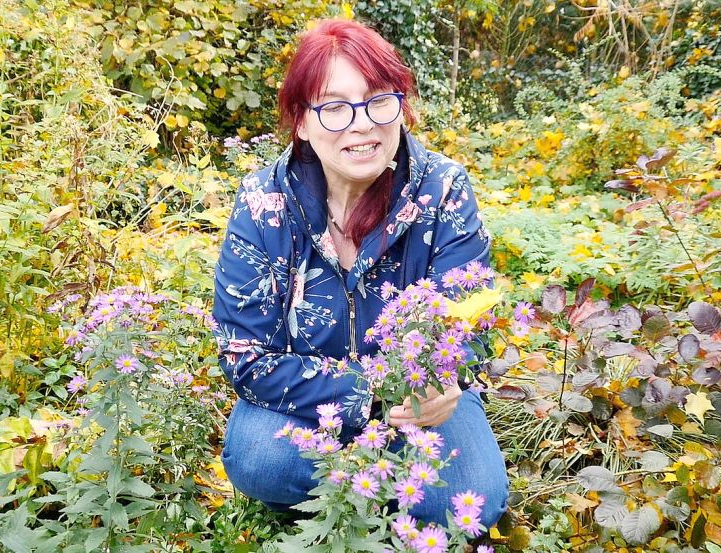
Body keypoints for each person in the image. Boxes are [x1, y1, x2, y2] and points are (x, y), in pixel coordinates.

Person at [211, 19, 508, 529]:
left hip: (417, 404)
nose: (362, 123)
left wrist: (444, 383)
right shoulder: (264, 204)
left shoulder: (443, 190)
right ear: (302, 122)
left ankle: (365, 493)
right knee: (261, 458)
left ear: (401, 106)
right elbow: (245, 357)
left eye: (378, 100)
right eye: (334, 106)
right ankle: (366, 497)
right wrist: (363, 394)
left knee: (471, 496)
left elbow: (472, 317)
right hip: (306, 402)